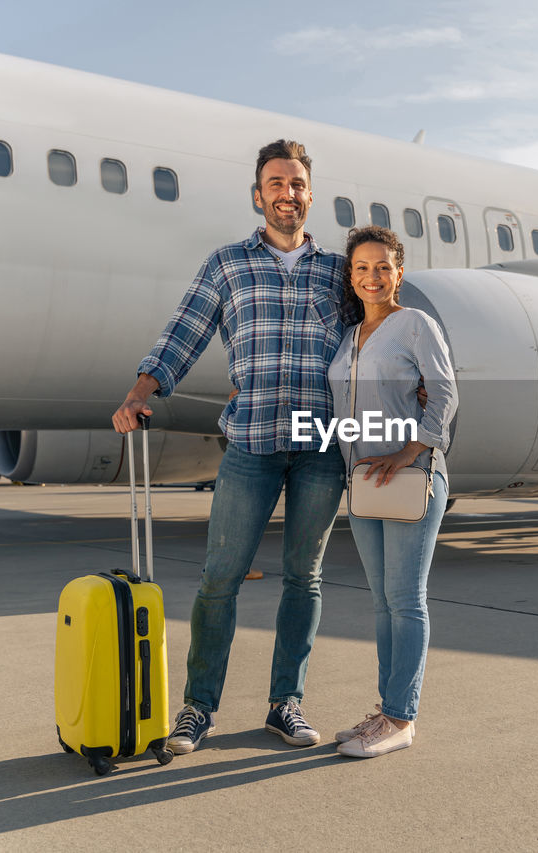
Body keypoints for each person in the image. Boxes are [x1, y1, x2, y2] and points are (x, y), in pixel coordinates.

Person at [112, 139, 355, 754]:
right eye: (275, 183)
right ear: (258, 195)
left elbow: (374, 339)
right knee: (220, 577)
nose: (287, 193)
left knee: (306, 577)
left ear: (310, 195)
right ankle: (198, 708)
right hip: (250, 439)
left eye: (297, 183)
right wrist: (142, 391)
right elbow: (183, 333)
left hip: (320, 442)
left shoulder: (337, 271)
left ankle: (286, 703)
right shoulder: (227, 265)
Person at [326, 226, 458, 758]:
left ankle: (401, 718)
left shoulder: (415, 324)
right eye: (361, 267)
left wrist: (410, 451)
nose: (372, 276)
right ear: (351, 276)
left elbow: (444, 390)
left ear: (399, 272)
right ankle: (385, 709)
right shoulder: (349, 337)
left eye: (383, 266)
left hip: (410, 477)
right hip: (363, 484)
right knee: (382, 604)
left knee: (406, 601)